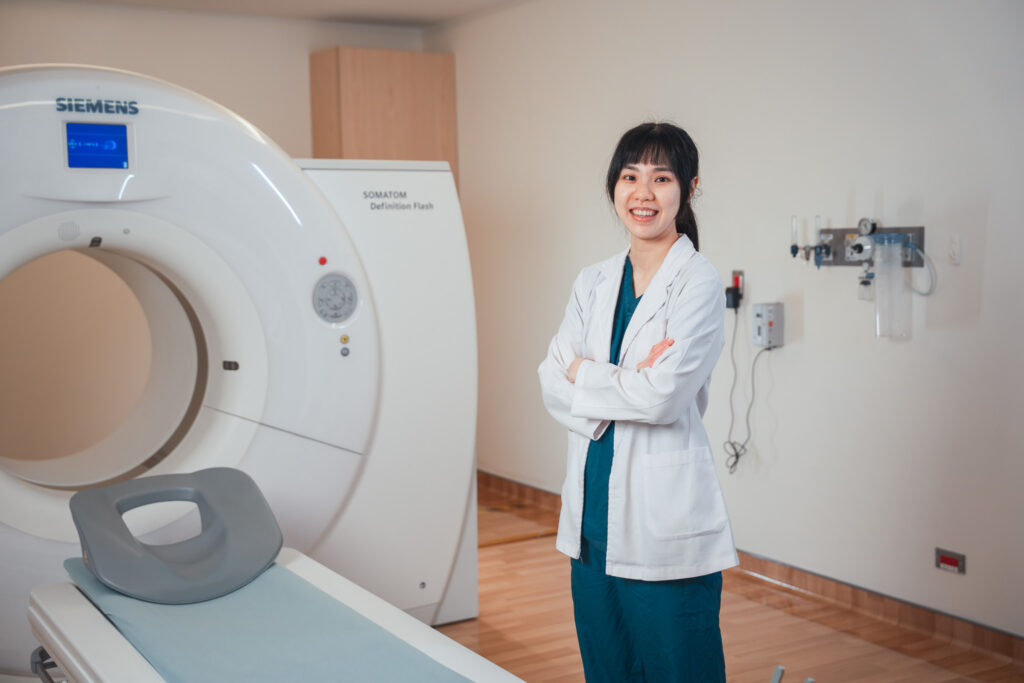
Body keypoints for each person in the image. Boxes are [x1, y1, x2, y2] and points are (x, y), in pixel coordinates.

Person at [537, 122, 737, 682]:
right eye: (630, 177)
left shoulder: (697, 283)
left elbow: (662, 399)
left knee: (682, 670)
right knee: (608, 670)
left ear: (688, 188)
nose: (643, 193)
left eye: (661, 178)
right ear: (614, 185)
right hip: (591, 526)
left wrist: (587, 375)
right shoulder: (593, 282)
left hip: (662, 524)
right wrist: (625, 379)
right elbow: (551, 381)